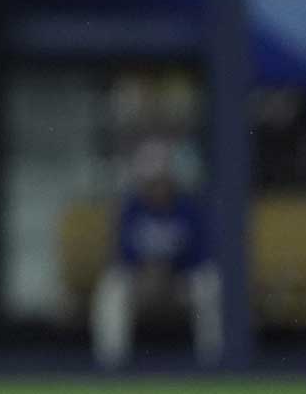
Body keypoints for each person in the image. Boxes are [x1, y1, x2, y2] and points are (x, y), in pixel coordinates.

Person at [91, 140, 222, 368]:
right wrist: (146, 275)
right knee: (112, 289)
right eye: (151, 183)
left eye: (161, 181)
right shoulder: (132, 208)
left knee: (208, 285)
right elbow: (122, 254)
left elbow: (200, 253)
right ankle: (112, 368)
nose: (157, 188)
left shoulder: (188, 207)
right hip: (142, 281)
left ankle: (212, 365)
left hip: (181, 279)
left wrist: (171, 273)